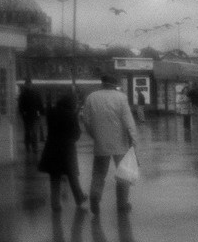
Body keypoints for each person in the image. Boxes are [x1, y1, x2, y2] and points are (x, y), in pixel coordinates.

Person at [81, 74, 138, 214]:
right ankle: (122, 204)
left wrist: (94, 135)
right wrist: (134, 142)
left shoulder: (91, 97)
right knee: (123, 173)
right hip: (121, 143)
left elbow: (86, 120)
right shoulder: (121, 97)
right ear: (114, 84)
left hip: (100, 142)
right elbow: (128, 121)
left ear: (102, 83)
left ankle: (95, 196)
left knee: (99, 173)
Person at [38, 94, 86, 211]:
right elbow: (76, 133)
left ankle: (55, 204)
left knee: (54, 176)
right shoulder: (71, 115)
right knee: (72, 175)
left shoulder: (51, 112)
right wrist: (71, 140)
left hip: (52, 147)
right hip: (67, 149)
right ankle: (79, 198)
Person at [18, 78, 44, 154]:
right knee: (32, 132)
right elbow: (40, 104)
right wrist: (41, 112)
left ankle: (29, 147)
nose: (28, 85)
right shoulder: (35, 93)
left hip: (29, 116)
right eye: (28, 84)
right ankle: (33, 147)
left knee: (30, 132)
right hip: (34, 115)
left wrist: (23, 113)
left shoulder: (23, 94)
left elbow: (20, 106)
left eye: (28, 84)